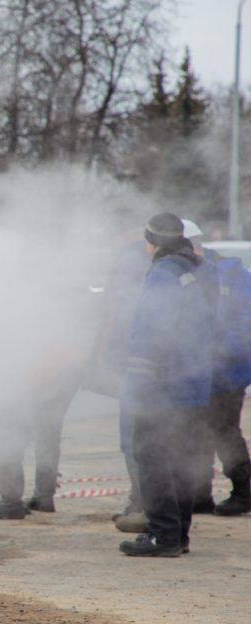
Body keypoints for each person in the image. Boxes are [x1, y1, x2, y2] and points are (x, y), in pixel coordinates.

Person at [119, 213, 218, 557]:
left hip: (162, 387)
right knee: (181, 460)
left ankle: (163, 535)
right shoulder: (200, 269)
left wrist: (140, 387)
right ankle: (178, 535)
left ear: (154, 242)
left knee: (152, 457)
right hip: (193, 383)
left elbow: (151, 330)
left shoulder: (163, 273)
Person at [82, 228, 151, 533]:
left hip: (137, 374)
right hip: (140, 373)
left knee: (137, 441)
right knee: (143, 441)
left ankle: (145, 508)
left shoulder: (131, 272)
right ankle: (144, 504)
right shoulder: (150, 271)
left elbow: (113, 321)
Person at [184, 220, 251, 517]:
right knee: (196, 430)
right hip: (200, 371)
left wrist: (218, 352)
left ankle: (243, 492)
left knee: (224, 431)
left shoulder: (233, 275)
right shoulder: (189, 272)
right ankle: (200, 494)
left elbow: (244, 324)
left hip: (228, 372)